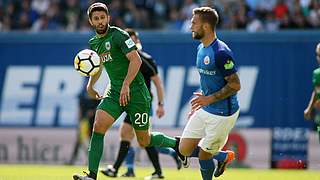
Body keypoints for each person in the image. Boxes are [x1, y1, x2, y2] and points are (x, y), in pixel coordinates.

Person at [73, 3, 183, 180]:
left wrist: (126, 84)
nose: (100, 21)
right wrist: (90, 85)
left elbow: (136, 60)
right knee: (98, 126)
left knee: (144, 140)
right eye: (96, 19)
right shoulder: (94, 42)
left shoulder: (119, 35)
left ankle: (177, 144)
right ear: (91, 21)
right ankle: (92, 175)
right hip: (115, 92)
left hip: (137, 93)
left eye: (103, 17)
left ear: (108, 18)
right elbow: (99, 65)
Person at [100, 28, 182, 179]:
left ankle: (165, 160)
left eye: (131, 40)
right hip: (129, 102)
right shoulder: (121, 58)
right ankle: (121, 169)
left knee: (144, 140)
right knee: (127, 134)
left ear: (136, 41)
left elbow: (158, 82)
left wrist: (161, 104)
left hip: (142, 103)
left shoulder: (144, 59)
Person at [177, 7, 241, 180]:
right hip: (206, 107)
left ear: (205, 27)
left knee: (204, 156)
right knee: (183, 149)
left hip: (223, 114)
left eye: (194, 23)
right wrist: (201, 101)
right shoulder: (200, 49)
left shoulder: (221, 53)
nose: (190, 27)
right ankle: (222, 156)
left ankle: (215, 160)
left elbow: (235, 85)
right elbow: (209, 80)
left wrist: (209, 99)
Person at [304, 42, 320, 142]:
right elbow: (316, 90)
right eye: (318, 55)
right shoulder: (317, 73)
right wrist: (309, 108)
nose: (318, 58)